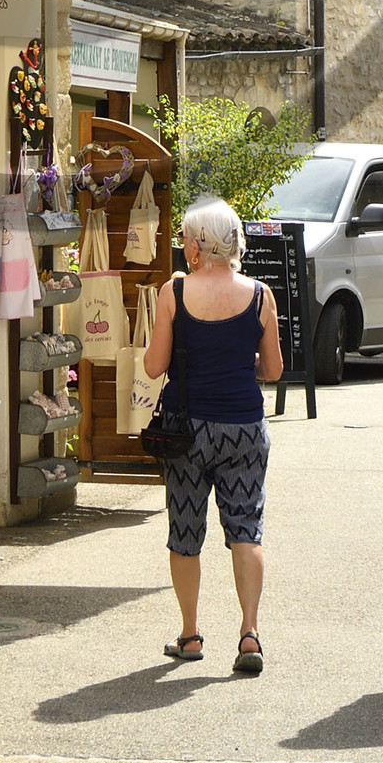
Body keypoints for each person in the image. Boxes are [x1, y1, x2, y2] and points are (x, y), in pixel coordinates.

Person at [141, 196, 282, 675]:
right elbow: (276, 369)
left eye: (185, 240)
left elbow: (154, 365)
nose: (183, 248)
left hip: (187, 429)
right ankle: (249, 633)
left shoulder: (173, 293)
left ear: (199, 246)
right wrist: (239, 363)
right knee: (246, 528)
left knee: (185, 531)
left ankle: (191, 634)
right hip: (244, 424)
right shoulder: (262, 295)